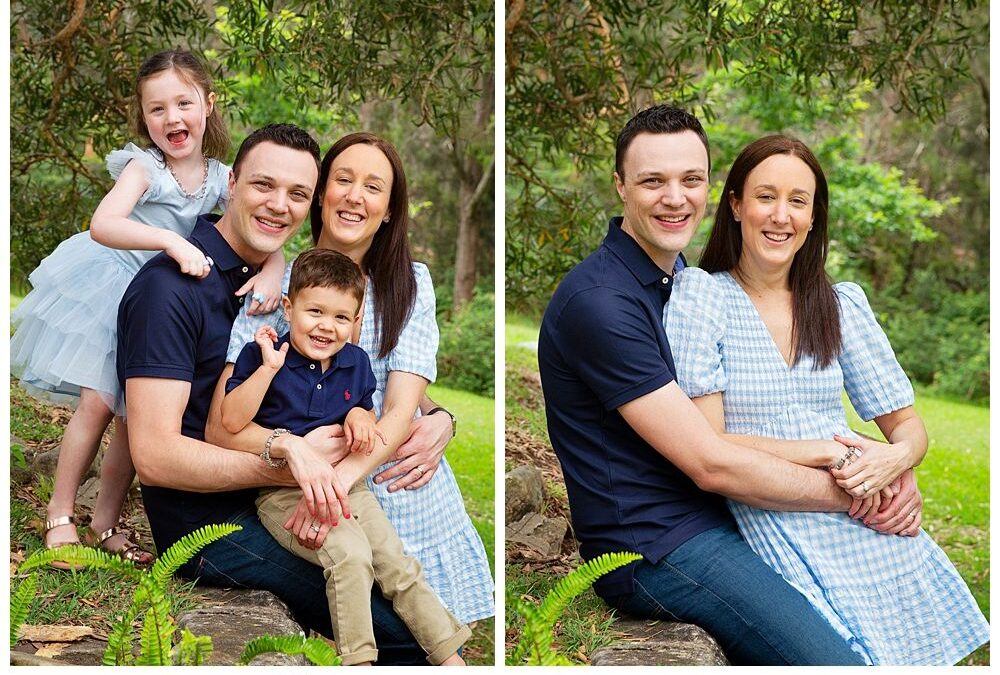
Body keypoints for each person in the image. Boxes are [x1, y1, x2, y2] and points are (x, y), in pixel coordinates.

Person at [537, 105, 923, 665]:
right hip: (657, 545)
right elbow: (709, 461)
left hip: (723, 519)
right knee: (833, 661)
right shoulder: (602, 301)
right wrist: (860, 491)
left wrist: (894, 466)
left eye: (691, 180)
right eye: (653, 181)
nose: (675, 198)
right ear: (620, 186)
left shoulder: (677, 284)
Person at [663, 134, 989, 665]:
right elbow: (709, 441)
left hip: (868, 521)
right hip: (778, 513)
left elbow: (908, 428)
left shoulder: (839, 305)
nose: (781, 215)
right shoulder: (702, 296)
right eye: (766, 196)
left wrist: (894, 463)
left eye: (798, 201)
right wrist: (823, 450)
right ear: (736, 204)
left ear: (814, 217)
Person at [118, 123, 428, 664]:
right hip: (213, 526)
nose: (279, 205)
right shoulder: (169, 290)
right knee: (396, 627)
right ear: (232, 182)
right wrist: (293, 463)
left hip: (273, 500)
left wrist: (437, 414)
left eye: (297, 194)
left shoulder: (264, 284)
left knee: (403, 587)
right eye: (264, 185)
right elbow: (155, 456)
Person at [207, 132, 494, 627]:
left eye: (373, 187)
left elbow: (403, 408)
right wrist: (312, 479)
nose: (355, 195)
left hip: (399, 483)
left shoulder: (409, 284)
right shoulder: (278, 287)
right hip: (308, 491)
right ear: (321, 193)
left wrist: (438, 419)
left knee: (432, 637)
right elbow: (222, 424)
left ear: (388, 210)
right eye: (343, 179)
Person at [11, 49, 284, 569]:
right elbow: (104, 224)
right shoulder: (146, 168)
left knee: (138, 419)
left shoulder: (221, 175)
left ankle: (105, 520)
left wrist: (272, 271)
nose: (172, 118)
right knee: (97, 404)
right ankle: (60, 513)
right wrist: (169, 241)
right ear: (144, 116)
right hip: (112, 286)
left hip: (161, 302)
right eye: (156, 109)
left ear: (208, 103)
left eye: (183, 103)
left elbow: (266, 231)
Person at [221, 248, 470, 666]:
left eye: (340, 318)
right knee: (351, 556)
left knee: (396, 563)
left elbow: (363, 406)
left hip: (350, 488)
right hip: (285, 493)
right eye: (314, 311)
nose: (325, 326)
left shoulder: (354, 363)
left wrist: (359, 416)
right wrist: (267, 370)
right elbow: (230, 419)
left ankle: (449, 655)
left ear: (356, 323)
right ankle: (358, 661)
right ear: (288, 306)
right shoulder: (262, 355)